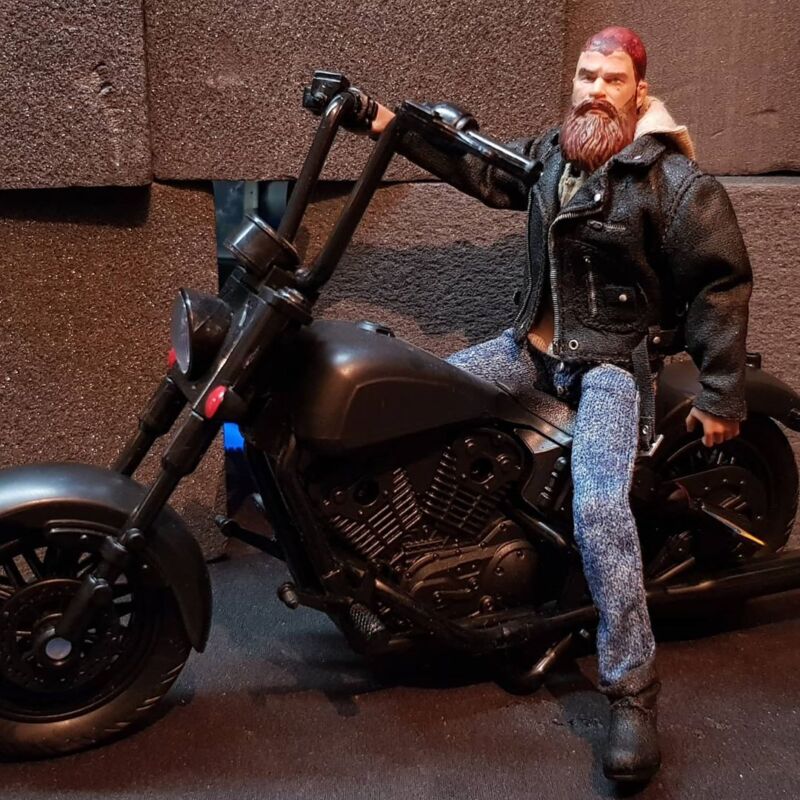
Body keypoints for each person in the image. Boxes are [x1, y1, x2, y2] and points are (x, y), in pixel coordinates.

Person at [365, 26, 753, 783]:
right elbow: (482, 167)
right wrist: (388, 124)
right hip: (529, 349)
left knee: (601, 509)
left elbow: (720, 283)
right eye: (586, 75)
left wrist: (720, 390)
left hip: (611, 366)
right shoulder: (552, 153)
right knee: (418, 397)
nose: (595, 90)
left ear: (639, 91)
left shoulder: (672, 182)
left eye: (612, 79)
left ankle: (633, 690)